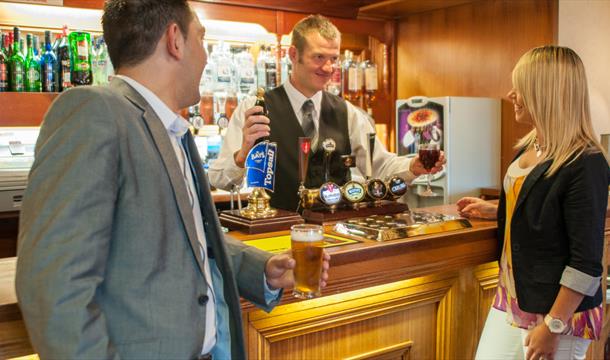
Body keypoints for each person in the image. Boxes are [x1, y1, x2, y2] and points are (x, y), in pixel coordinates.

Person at [15, 1, 330, 359]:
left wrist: (262, 271)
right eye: (202, 38)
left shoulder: (171, 130)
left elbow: (187, 239)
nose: (206, 56)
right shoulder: (93, 111)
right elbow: (51, 285)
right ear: (175, 40)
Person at [457, 45, 610, 360]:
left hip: (558, 312)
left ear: (545, 92)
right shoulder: (530, 145)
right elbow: (537, 204)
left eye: (521, 86)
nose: (512, 94)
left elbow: (586, 262)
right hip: (515, 296)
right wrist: (497, 210)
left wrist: (553, 325)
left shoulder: (586, 161)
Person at [209, 14, 444, 211]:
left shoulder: (348, 112)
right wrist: (242, 157)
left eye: (334, 58)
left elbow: (379, 166)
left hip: (337, 234)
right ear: (293, 55)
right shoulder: (257, 108)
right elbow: (219, 179)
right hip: (278, 235)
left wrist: (412, 167)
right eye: (319, 57)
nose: (329, 68)